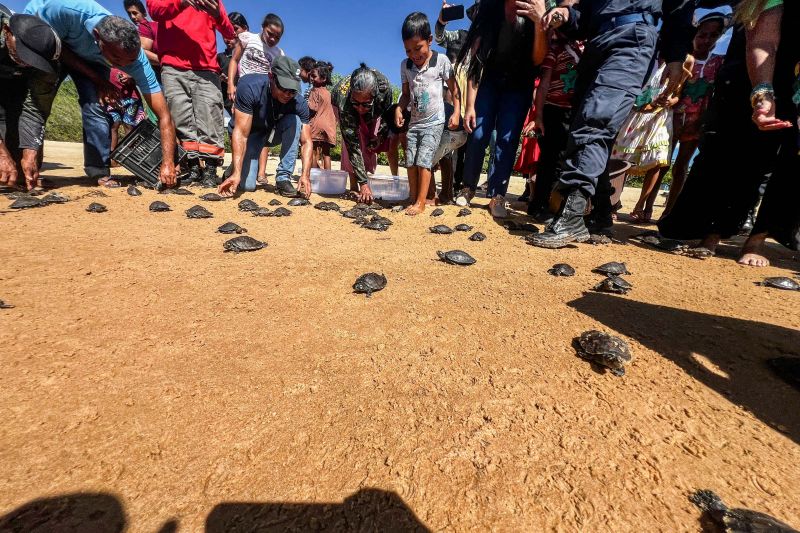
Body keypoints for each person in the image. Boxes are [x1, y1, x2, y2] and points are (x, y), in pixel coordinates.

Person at [527, 0, 694, 247]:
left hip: (632, 36)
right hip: (597, 41)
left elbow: (679, 7)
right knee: (584, 128)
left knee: (595, 121)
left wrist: (676, 55)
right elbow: (583, 16)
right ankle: (601, 213)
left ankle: (572, 214)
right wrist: (566, 14)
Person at [659, 0, 798, 265]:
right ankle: (711, 230)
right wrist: (762, 94)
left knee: (786, 158)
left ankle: (757, 238)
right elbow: (762, 38)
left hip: (795, 81)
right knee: (726, 148)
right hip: (748, 71)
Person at [24, 0, 177, 188]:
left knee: (96, 105)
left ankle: (98, 171)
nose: (125, 66)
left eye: (131, 60)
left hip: (92, 61)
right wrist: (98, 79)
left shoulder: (137, 62)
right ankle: (28, 166)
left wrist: (168, 162)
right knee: (39, 101)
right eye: (118, 59)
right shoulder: (66, 9)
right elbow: (51, 43)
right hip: (50, 42)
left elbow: (164, 116)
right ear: (98, 38)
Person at [454, 0, 548, 218]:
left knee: (507, 139)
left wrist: (539, 22)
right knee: (477, 134)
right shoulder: (490, 9)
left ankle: (498, 195)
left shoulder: (535, 8)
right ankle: (468, 187)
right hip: (489, 81)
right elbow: (476, 62)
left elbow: (538, 59)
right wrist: (469, 106)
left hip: (519, 85)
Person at [148, 0, 235, 188]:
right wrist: (181, 2)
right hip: (173, 65)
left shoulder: (212, 1)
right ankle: (193, 168)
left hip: (206, 67)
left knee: (210, 118)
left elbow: (229, 32)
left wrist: (218, 15)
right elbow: (155, 10)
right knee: (181, 119)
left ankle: (210, 170)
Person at [217, 56, 313, 198]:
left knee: (295, 120)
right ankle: (234, 169)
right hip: (250, 134)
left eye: (292, 90)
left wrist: (305, 175)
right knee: (247, 186)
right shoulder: (250, 86)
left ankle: (283, 178)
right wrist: (237, 173)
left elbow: (306, 142)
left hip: (271, 133)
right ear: (271, 77)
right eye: (284, 87)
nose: (288, 94)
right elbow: (241, 133)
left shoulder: (298, 102)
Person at [660, 12, 727, 217]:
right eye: (702, 35)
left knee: (681, 165)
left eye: (712, 36)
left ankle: (669, 212)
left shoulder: (719, 63)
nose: (706, 40)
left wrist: (700, 122)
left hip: (696, 122)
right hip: (669, 117)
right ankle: (644, 207)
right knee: (660, 162)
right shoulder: (678, 59)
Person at [611, 58, 692, 223]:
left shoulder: (686, 60)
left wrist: (671, 101)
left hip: (660, 117)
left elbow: (679, 93)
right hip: (635, 113)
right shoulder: (649, 56)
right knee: (622, 157)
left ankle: (640, 207)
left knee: (656, 159)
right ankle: (612, 204)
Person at [396, 12, 460, 215]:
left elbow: (454, 89)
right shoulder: (405, 66)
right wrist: (399, 108)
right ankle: (413, 197)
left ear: (430, 41)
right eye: (408, 50)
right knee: (411, 161)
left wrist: (456, 111)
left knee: (424, 160)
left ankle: (421, 202)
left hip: (434, 121)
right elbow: (406, 94)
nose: (414, 55)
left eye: (418, 48)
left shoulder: (441, 61)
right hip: (414, 122)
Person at [525, 30, 583, 222]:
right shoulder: (554, 50)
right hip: (552, 111)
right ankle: (538, 205)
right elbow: (543, 84)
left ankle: (556, 206)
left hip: (575, 113)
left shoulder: (587, 49)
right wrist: (538, 116)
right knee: (548, 161)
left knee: (564, 162)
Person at [0, 7, 60, 191]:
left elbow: (36, 107)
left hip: (14, 86)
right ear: (7, 32)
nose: (28, 63)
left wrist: (30, 151)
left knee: (18, 169)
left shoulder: (49, 54)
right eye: (24, 55)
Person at [331, 64, 396, 204]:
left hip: (376, 110)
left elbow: (386, 116)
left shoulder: (385, 90)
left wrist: (380, 137)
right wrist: (363, 184)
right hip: (341, 106)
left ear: (375, 95)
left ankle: (365, 176)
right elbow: (352, 145)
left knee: (371, 141)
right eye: (356, 102)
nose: (360, 108)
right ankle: (355, 185)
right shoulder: (344, 101)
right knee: (354, 141)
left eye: (365, 104)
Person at [107, 69, 146, 156]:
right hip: (112, 98)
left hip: (131, 98)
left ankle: (127, 153)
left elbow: (139, 79)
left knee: (128, 125)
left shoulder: (127, 63)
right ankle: (112, 154)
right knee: (113, 125)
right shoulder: (105, 63)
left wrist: (129, 77)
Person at [307, 60, 337, 170]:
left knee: (313, 152)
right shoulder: (329, 93)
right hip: (330, 126)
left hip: (317, 123)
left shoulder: (314, 90)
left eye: (313, 76)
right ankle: (327, 178)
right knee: (326, 154)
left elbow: (313, 107)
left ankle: (315, 176)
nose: (311, 78)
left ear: (323, 78)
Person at [123, 0, 158, 68]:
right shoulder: (156, 24)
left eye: (135, 13)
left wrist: (165, 62)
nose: (132, 17)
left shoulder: (143, 26)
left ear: (144, 13)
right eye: (129, 14)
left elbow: (144, 52)